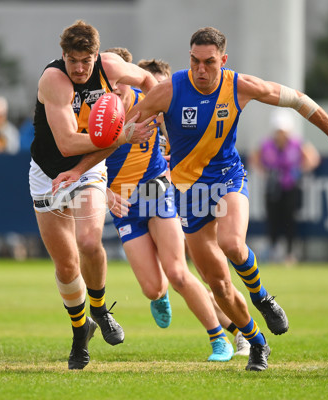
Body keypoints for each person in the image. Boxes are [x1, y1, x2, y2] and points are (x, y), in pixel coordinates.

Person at [121, 27, 328, 371]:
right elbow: (116, 135)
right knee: (220, 286)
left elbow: (299, 100)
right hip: (188, 195)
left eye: (209, 62)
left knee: (233, 245)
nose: (201, 70)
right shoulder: (169, 90)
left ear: (223, 61)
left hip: (227, 181)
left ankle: (262, 297)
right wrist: (79, 168)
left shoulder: (240, 86)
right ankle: (256, 342)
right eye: (195, 61)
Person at [28, 20, 159, 370]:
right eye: (73, 60)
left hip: (88, 168)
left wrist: (146, 113)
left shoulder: (111, 67)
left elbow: (149, 81)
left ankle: (99, 308)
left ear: (97, 55)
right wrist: (123, 134)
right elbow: (68, 142)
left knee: (89, 242)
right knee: (66, 264)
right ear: (63, 57)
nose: (80, 68)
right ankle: (79, 332)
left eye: (86, 60)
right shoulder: (53, 80)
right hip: (47, 174)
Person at [101, 47, 233, 361]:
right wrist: (105, 192)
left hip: (156, 190)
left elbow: (179, 129)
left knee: (178, 272)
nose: (114, 84)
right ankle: (159, 297)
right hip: (126, 205)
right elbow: (85, 159)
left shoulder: (144, 99)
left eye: (120, 76)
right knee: (152, 288)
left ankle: (219, 340)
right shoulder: (95, 112)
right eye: (108, 78)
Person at [136, 56, 251, 357]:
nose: (153, 93)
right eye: (146, 87)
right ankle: (159, 290)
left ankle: (237, 333)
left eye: (157, 85)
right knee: (173, 271)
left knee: (201, 273)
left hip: (190, 194)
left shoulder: (181, 112)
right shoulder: (143, 118)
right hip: (155, 192)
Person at [249, 109, 321, 265]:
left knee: (290, 219)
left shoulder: (297, 143)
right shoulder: (266, 144)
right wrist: (264, 171)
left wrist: (299, 170)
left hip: (290, 187)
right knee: (272, 219)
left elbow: (313, 158)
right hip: (273, 187)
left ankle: (289, 253)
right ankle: (272, 251)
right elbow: (254, 158)